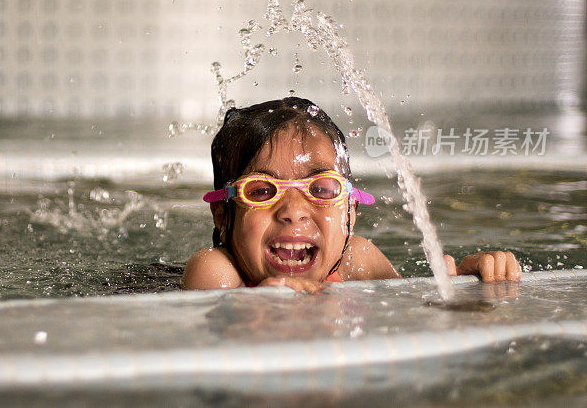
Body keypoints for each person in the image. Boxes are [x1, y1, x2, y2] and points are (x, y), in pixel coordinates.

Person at [182, 96, 522, 292]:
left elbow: (414, 316)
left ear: (350, 212)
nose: (294, 212)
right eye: (262, 191)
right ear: (224, 216)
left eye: (321, 189)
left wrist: (467, 286)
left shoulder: (356, 258)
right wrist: (259, 309)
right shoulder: (216, 271)